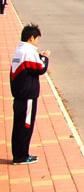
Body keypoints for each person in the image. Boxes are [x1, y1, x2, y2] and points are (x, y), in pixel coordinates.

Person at [10, 23, 50, 165]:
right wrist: (45, 58)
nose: (37, 42)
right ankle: (21, 156)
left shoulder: (20, 50)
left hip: (20, 93)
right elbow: (40, 68)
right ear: (31, 38)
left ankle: (20, 154)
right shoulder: (28, 51)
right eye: (37, 39)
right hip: (27, 95)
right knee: (25, 126)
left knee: (19, 125)